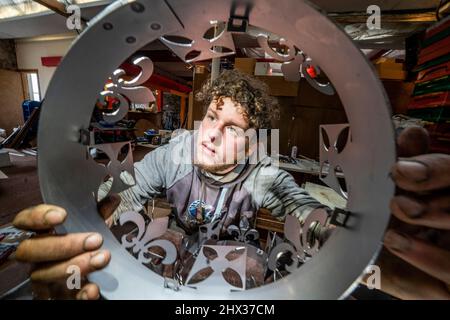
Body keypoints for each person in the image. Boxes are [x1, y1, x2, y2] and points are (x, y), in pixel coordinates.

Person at [12, 70, 450, 300]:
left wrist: (362, 238)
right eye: (211, 115)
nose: (211, 132)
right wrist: (78, 223)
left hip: (240, 264)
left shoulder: (262, 174)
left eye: (233, 127)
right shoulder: (175, 153)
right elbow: (121, 197)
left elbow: (306, 213)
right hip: (182, 255)